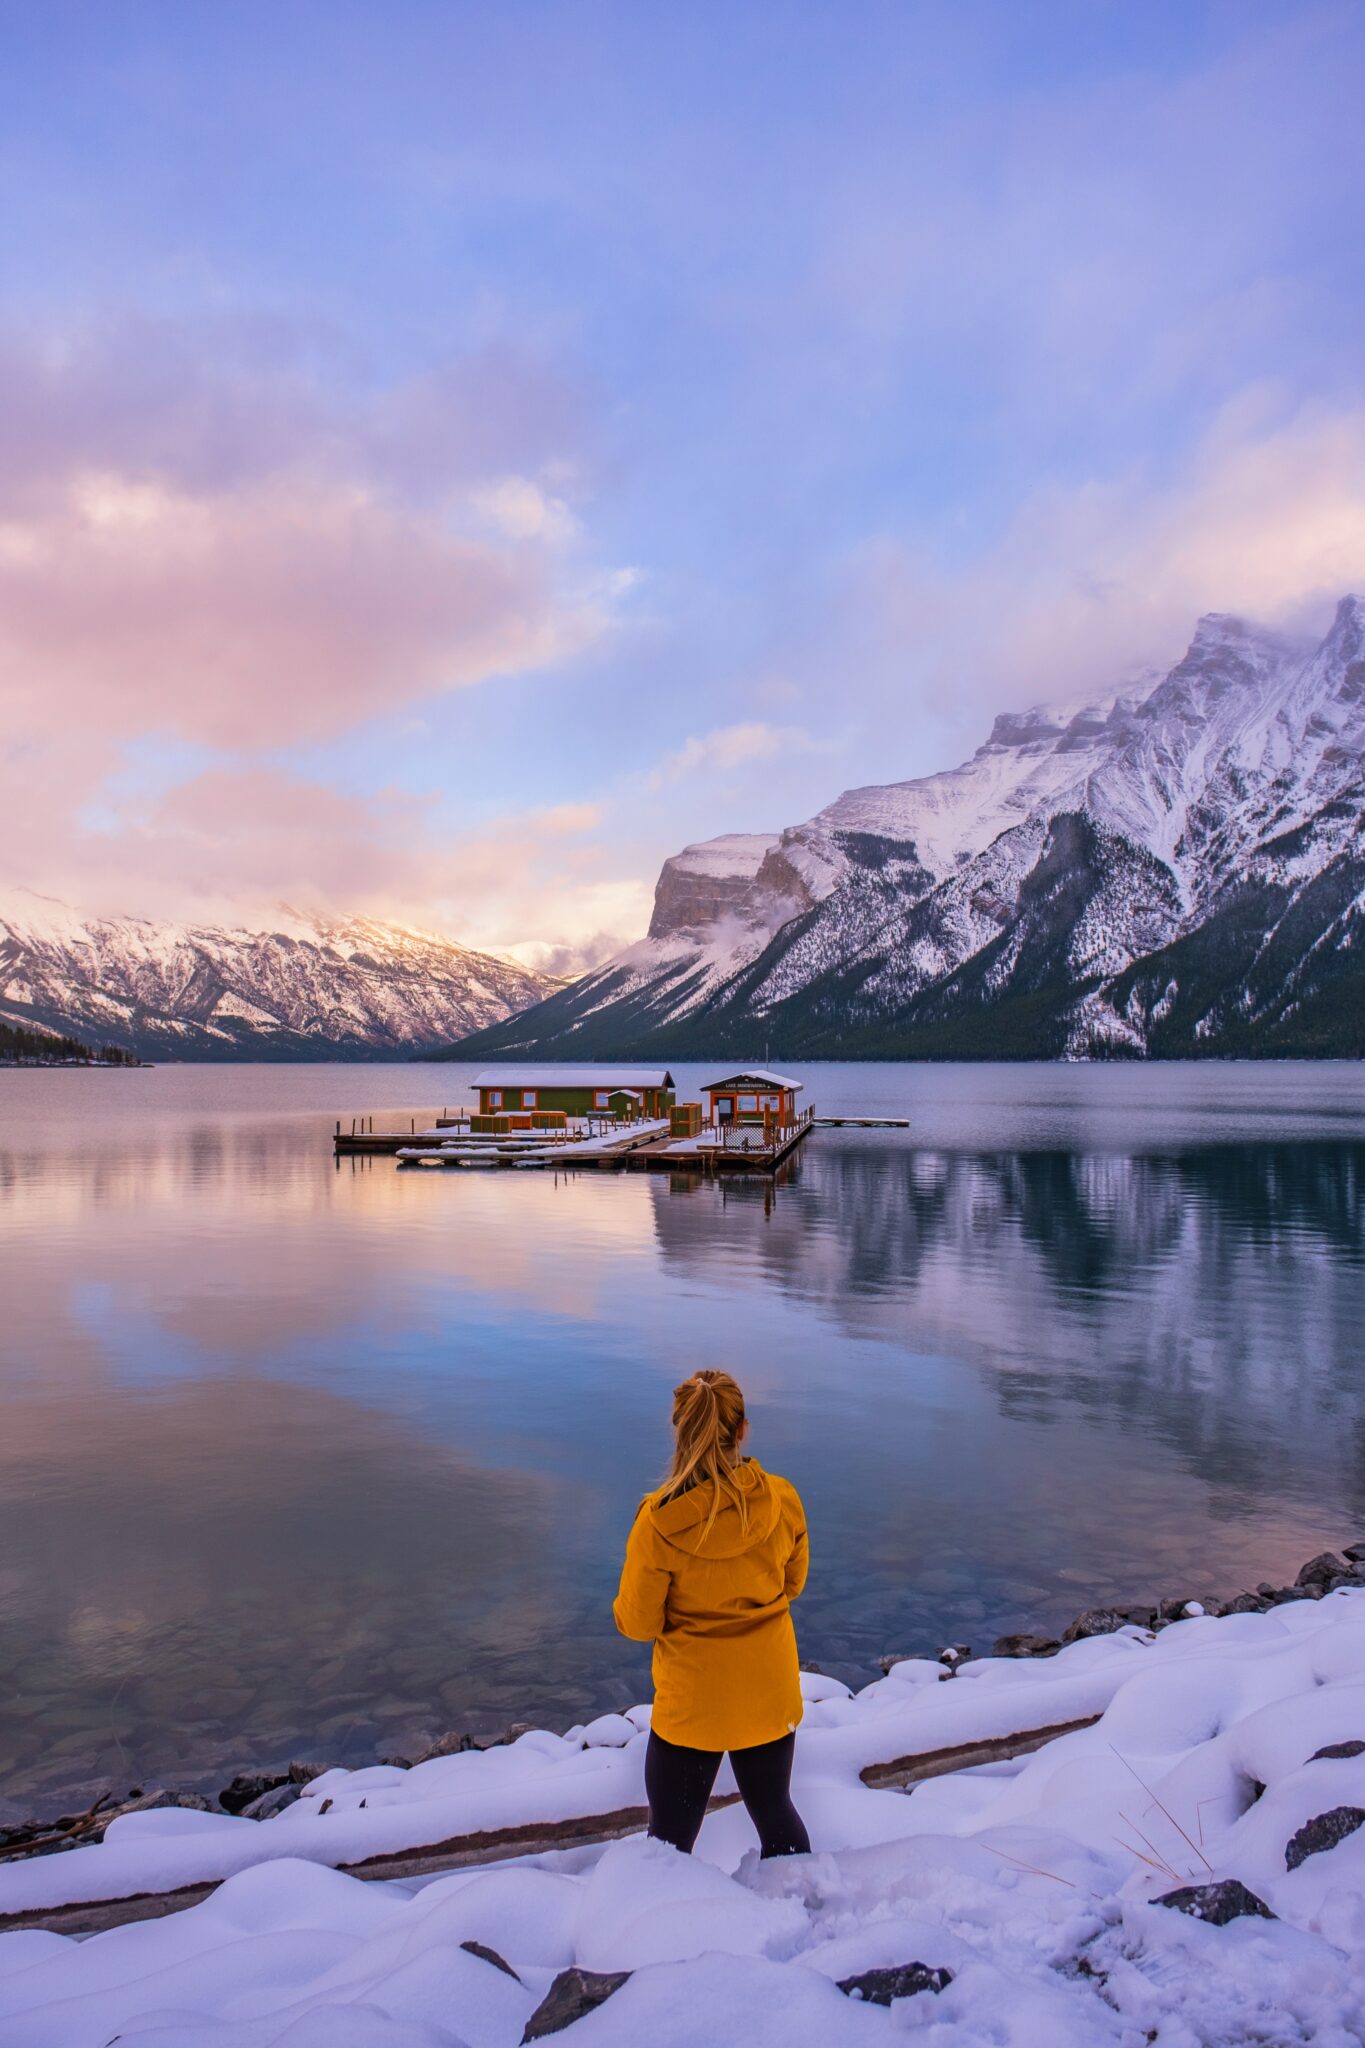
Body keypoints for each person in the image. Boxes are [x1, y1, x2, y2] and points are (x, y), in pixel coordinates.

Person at [613, 1368, 811, 1858]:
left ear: (679, 1429)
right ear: (742, 1429)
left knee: (669, 1843)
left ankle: (664, 1926)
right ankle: (802, 1910)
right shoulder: (781, 1499)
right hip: (767, 1695)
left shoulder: (658, 1522)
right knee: (777, 1816)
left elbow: (638, 1624)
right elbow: (793, 1584)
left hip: (691, 1706)